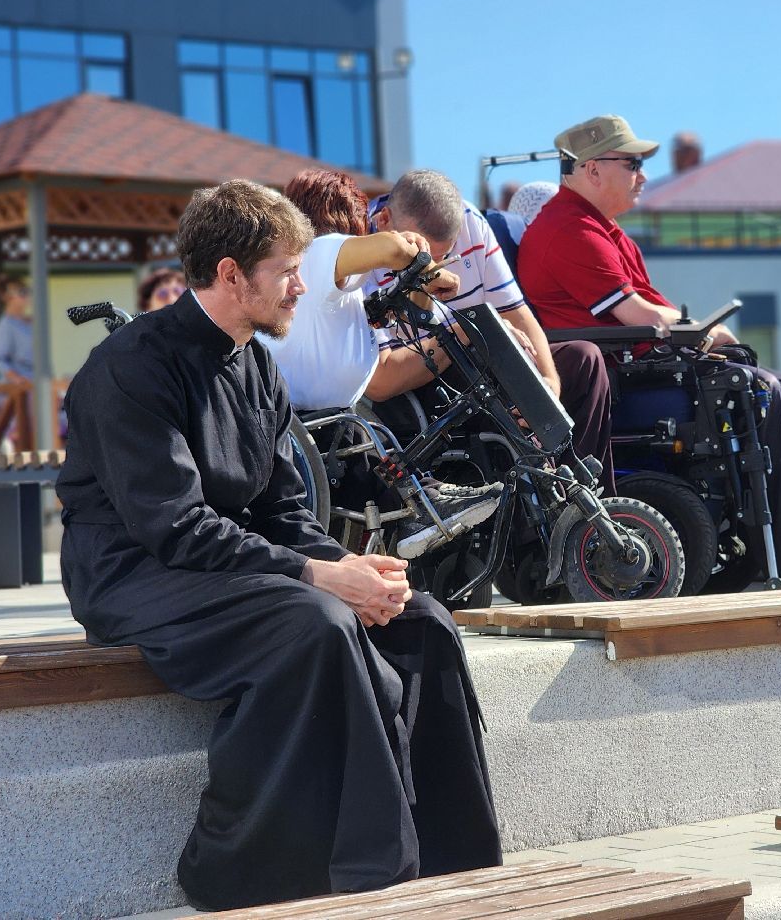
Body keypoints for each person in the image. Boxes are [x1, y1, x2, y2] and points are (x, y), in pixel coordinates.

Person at [56, 179, 500, 910]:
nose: (303, 287)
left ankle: (450, 859)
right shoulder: (131, 368)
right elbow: (173, 526)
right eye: (288, 271)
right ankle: (295, 871)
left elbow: (282, 508)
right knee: (315, 623)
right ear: (231, 274)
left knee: (420, 618)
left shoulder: (257, 362)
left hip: (223, 563)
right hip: (133, 574)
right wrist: (316, 580)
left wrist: (349, 566)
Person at [521, 114, 781, 585]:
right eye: (632, 163)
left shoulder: (600, 228)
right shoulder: (569, 229)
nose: (644, 175)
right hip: (617, 382)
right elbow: (642, 316)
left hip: (643, 370)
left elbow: (656, 312)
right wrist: (707, 333)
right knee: (756, 390)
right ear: (593, 169)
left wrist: (701, 331)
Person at [267, 167, 504, 559]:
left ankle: (421, 506)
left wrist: (423, 286)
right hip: (317, 426)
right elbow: (392, 252)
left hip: (328, 422)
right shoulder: (319, 251)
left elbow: (411, 315)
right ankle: (422, 508)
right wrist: (422, 256)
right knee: (370, 435)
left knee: (373, 435)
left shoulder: (327, 280)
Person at [366, 169, 618, 497]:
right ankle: (533, 516)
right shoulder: (362, 249)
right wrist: (466, 329)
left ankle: (585, 505)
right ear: (385, 220)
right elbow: (383, 382)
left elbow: (516, 312)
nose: (434, 269)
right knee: (494, 377)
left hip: (477, 355)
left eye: (445, 256)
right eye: (419, 256)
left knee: (583, 359)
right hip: (422, 384)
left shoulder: (470, 220)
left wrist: (548, 384)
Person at [0, 276, 34, 382]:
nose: (27, 295)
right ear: (7, 297)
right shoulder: (6, 324)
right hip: (19, 391)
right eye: (22, 292)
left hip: (35, 383)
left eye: (27, 291)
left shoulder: (31, 323)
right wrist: (17, 379)